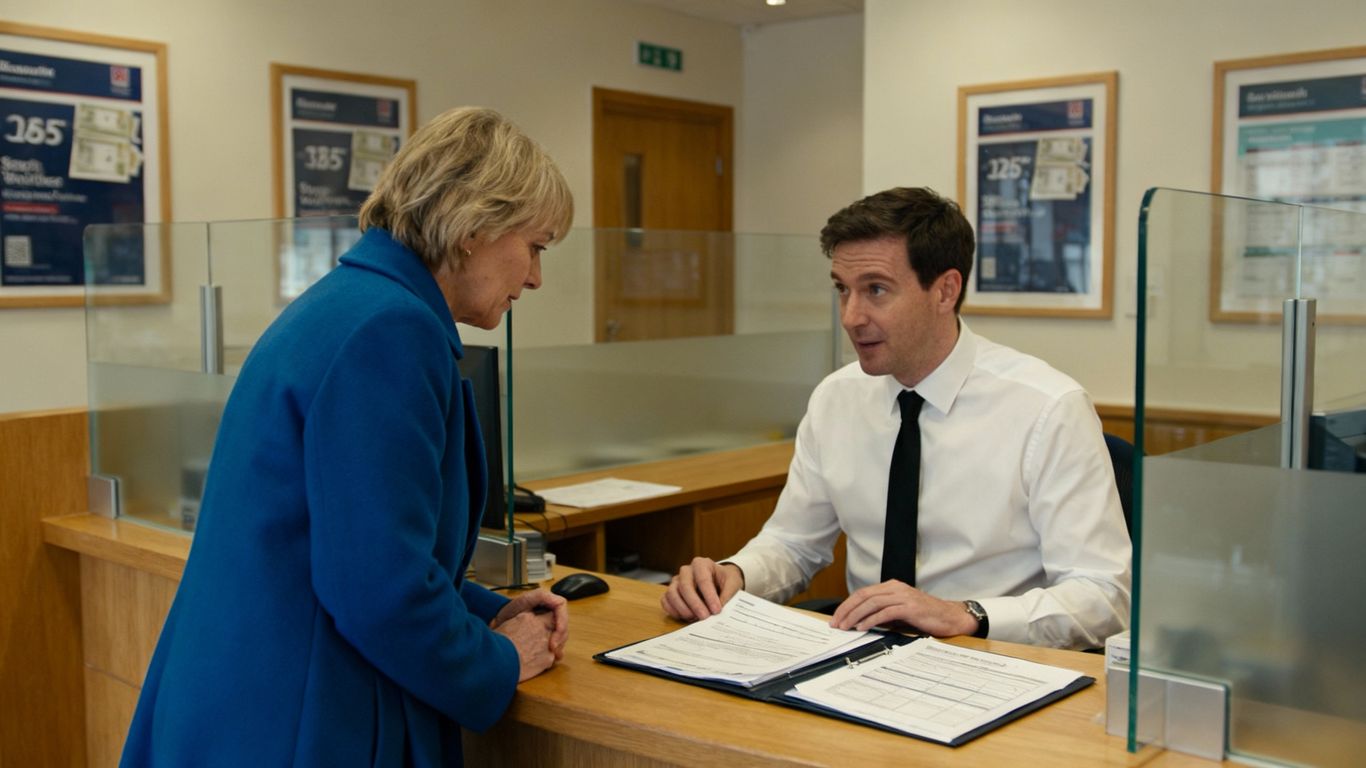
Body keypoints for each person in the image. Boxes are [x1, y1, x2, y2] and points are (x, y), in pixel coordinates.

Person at [121, 107, 574, 767]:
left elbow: (352, 549)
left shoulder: (349, 304)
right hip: (301, 719)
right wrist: (498, 659)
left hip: (249, 699)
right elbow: (379, 592)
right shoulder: (390, 333)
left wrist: (481, 614)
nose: (534, 277)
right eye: (535, 247)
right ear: (474, 226)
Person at [661, 187, 1130, 650]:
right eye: (842, 290)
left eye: (876, 290)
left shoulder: (1047, 407)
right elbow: (793, 543)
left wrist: (966, 614)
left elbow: (1104, 596)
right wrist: (735, 575)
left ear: (945, 291)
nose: (851, 316)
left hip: (994, 659)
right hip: (861, 655)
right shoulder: (836, 398)